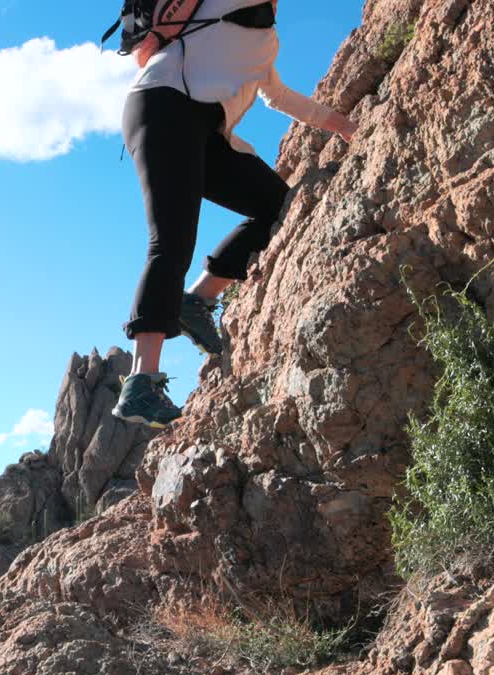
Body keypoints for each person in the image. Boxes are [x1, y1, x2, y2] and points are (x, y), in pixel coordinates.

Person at [111, 0, 357, 428]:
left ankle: (197, 300)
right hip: (161, 107)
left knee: (276, 206)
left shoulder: (268, 39)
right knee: (170, 239)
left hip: (208, 130)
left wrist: (344, 125)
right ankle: (140, 381)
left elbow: (277, 96)